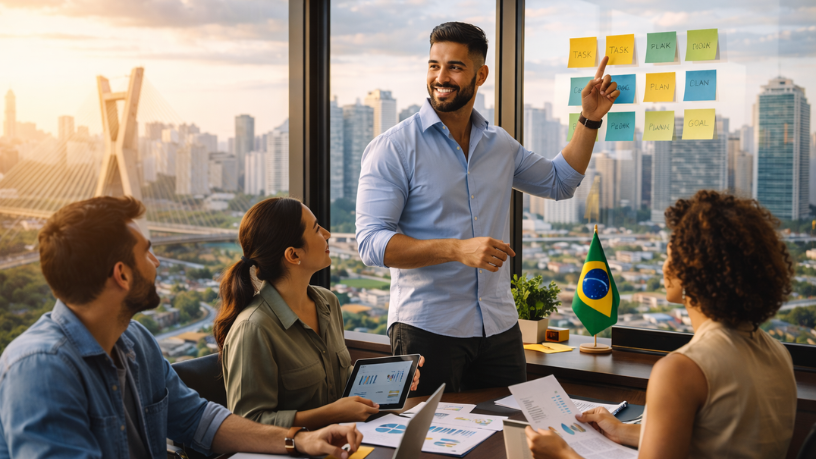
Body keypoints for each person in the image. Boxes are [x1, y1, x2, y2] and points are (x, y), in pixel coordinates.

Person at [355, 22, 620, 395]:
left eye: (454, 67)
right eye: (434, 66)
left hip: (499, 329)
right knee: (429, 432)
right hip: (427, 329)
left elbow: (560, 182)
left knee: (510, 427)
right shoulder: (394, 148)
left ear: (481, 75)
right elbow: (371, 243)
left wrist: (590, 118)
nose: (440, 77)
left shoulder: (500, 145)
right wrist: (456, 249)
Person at [0, 196, 363, 459]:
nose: (157, 262)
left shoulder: (137, 342)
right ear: (122, 275)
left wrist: (298, 441)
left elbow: (199, 420)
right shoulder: (40, 368)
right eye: (147, 252)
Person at [526, 190, 798, 459]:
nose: (665, 266)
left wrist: (563, 454)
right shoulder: (778, 353)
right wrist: (622, 430)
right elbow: (718, 437)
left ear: (691, 270)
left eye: (670, 255)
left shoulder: (682, 370)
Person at [215, 197, 422, 429]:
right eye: (316, 229)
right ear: (293, 255)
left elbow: (337, 380)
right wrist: (330, 414)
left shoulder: (328, 303)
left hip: (346, 439)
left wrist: (390, 378)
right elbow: (248, 426)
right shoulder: (252, 329)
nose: (327, 234)